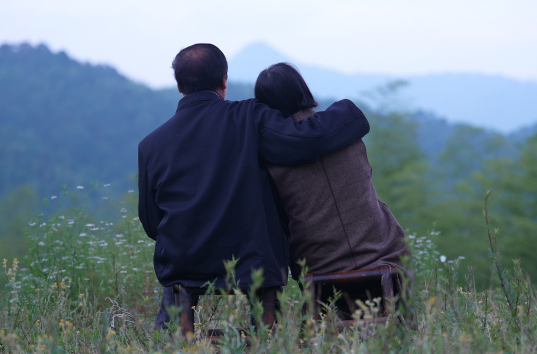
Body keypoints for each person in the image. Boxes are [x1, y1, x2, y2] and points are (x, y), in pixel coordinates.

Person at [138, 44, 370, 329]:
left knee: (175, 297)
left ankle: (172, 335)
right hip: (252, 262)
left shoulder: (150, 145)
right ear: (224, 79)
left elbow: (152, 224)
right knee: (264, 295)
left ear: (178, 85)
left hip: (184, 263)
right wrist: (349, 112)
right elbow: (306, 140)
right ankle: (265, 337)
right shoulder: (248, 116)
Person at [254, 62, 410, 294]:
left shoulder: (270, 158)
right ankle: (399, 322)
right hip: (383, 255)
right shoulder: (347, 134)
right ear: (302, 89)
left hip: (318, 268)